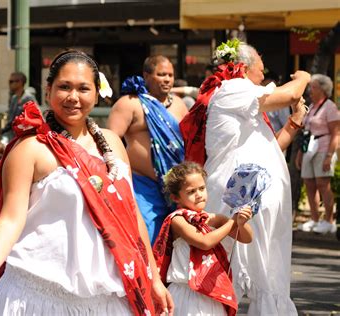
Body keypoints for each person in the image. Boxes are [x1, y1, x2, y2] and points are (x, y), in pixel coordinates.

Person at [0, 50, 173, 316]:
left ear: (96, 93)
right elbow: (10, 219)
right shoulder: (30, 149)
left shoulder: (112, 143)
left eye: (83, 88)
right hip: (35, 296)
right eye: (64, 87)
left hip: (106, 299)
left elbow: (132, 216)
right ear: (48, 89)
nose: (73, 97)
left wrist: (153, 278)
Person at [192, 41, 310, 315]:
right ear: (243, 67)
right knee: (229, 272)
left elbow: (268, 151)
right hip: (236, 198)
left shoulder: (246, 102)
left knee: (266, 274)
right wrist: (303, 77)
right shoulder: (233, 89)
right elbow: (291, 92)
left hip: (253, 196)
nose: (264, 71)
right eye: (260, 65)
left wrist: (295, 121)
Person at [153, 161, 253, 316]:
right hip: (187, 293)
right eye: (191, 191)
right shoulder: (177, 219)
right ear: (176, 197)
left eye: (202, 188)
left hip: (211, 291)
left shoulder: (211, 218)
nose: (199, 194)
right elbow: (205, 242)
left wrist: (241, 222)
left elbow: (246, 238)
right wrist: (232, 222)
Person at [107, 55, 188, 244]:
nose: (167, 79)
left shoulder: (179, 104)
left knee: (175, 243)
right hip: (141, 185)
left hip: (175, 186)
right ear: (146, 76)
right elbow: (109, 141)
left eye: (170, 75)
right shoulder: (130, 103)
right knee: (145, 239)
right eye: (161, 74)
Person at [296, 74, 339, 234]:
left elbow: (336, 133)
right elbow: (306, 132)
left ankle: (329, 221)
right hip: (310, 149)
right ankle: (314, 219)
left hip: (323, 148)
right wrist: (300, 153)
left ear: (322, 89)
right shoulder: (312, 107)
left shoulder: (330, 107)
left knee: (323, 184)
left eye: (313, 87)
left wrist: (329, 156)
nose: (310, 91)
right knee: (309, 184)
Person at [1, 72, 37, 143]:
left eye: (11, 82)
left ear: (20, 82)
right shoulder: (14, 98)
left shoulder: (29, 98)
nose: (9, 84)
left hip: (25, 136)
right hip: (12, 135)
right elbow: (10, 118)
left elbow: (35, 117)